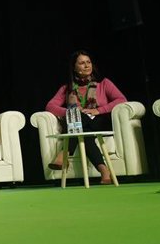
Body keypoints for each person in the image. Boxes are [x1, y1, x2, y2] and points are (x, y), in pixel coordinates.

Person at [44, 50, 127, 184]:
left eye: (88, 62)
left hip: (99, 120)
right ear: (74, 68)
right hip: (81, 124)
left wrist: (99, 110)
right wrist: (71, 112)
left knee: (79, 121)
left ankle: (64, 154)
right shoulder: (67, 88)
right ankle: (104, 171)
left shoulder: (104, 84)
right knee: (83, 129)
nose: (87, 65)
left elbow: (121, 100)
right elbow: (50, 106)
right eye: (82, 63)